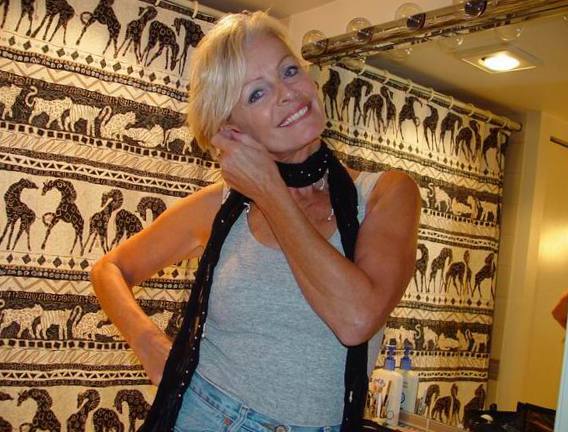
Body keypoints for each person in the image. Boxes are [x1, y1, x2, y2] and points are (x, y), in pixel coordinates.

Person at [90, 10, 421, 432]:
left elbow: (356, 319)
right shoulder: (221, 207)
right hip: (205, 415)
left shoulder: (386, 194)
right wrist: (148, 342)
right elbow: (110, 268)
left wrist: (270, 191)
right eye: (257, 94)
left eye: (289, 71)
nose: (288, 94)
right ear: (232, 130)